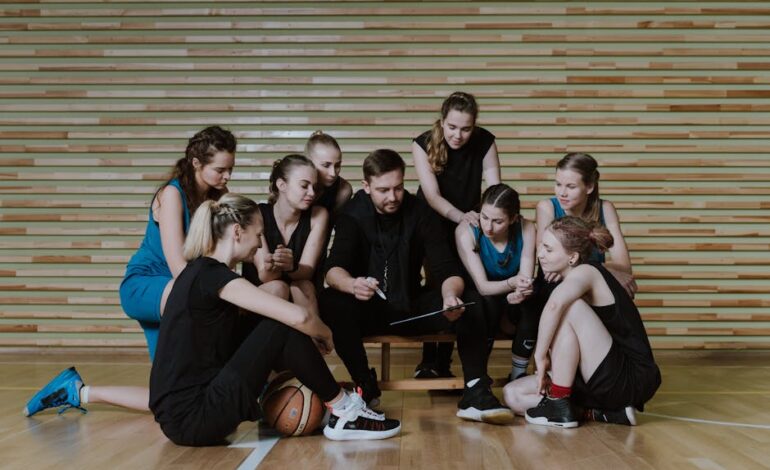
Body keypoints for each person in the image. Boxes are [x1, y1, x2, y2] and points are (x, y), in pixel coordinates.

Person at [147, 193, 400, 445]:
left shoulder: (198, 271)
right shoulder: (213, 276)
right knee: (281, 325)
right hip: (195, 417)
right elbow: (299, 316)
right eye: (258, 235)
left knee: (265, 325)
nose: (260, 244)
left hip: (184, 416)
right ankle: (346, 410)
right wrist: (326, 333)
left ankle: (312, 398)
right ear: (237, 232)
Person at [23, 126, 237, 416]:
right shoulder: (171, 195)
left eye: (230, 169)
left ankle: (76, 390)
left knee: (170, 397)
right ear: (197, 163)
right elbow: (178, 267)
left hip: (177, 291)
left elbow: (224, 257)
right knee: (203, 297)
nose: (227, 177)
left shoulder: (215, 198)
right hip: (147, 285)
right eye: (221, 170)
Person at [319, 149, 512, 424]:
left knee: (470, 300)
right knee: (331, 301)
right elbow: (333, 268)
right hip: (366, 307)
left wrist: (449, 297)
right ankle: (366, 387)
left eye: (398, 188)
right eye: (383, 190)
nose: (392, 197)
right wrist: (352, 285)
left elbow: (447, 268)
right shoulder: (352, 214)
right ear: (366, 186)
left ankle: (475, 392)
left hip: (410, 307)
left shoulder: (419, 211)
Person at [503, 216, 661, 428]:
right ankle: (598, 413)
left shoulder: (588, 272)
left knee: (570, 307)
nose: (540, 254)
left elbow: (554, 307)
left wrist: (540, 357)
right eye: (541, 246)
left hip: (628, 377)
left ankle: (559, 403)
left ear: (572, 257)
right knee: (512, 394)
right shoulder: (569, 278)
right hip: (595, 375)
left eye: (549, 249)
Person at [411, 91, 501, 378]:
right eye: (452, 127)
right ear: (442, 121)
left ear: (474, 126)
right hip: (430, 218)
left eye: (465, 128)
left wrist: (493, 218)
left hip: (468, 218)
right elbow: (433, 196)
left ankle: (448, 360)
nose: (458, 135)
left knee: (463, 283)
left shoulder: (485, 141)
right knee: (437, 281)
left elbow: (494, 189)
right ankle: (429, 361)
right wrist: (461, 216)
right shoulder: (422, 143)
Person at [454, 184, 538, 381]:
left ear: (514, 219)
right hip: (483, 298)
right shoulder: (466, 231)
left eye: (498, 221)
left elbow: (524, 278)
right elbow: (483, 287)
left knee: (533, 303)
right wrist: (513, 284)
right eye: (484, 217)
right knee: (486, 304)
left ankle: (518, 376)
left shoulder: (526, 228)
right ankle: (480, 378)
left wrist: (520, 291)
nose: (488, 226)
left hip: (511, 301)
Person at [536, 152, 636, 297]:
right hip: (553, 284)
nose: (562, 193)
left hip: (592, 283)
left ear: (589, 187)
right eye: (558, 184)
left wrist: (571, 267)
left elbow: (624, 268)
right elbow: (547, 263)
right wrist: (607, 269)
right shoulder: (547, 207)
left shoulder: (605, 208)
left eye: (571, 186)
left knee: (625, 286)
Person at [242, 155, 328, 318]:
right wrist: (272, 265)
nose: (312, 193)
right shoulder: (257, 213)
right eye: (304, 186)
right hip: (265, 294)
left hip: (302, 297)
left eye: (314, 187)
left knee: (302, 286)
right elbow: (265, 276)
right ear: (281, 185)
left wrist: (291, 266)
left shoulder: (318, 215)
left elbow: (307, 272)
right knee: (278, 287)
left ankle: (318, 342)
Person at [306, 130, 353, 216]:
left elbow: (329, 226)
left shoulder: (343, 190)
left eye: (337, 165)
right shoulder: (292, 185)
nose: (333, 173)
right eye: (326, 165)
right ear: (309, 162)